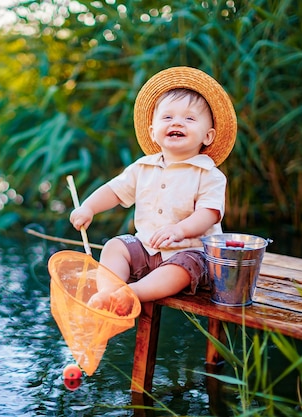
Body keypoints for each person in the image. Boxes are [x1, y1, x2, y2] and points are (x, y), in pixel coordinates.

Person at [70, 66, 237, 316]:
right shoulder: (143, 167)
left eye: (190, 119)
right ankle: (109, 291)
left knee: (182, 268)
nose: (177, 122)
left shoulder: (208, 174)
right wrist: (89, 207)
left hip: (188, 252)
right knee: (115, 246)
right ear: (153, 132)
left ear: (208, 136)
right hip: (146, 249)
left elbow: (209, 213)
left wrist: (179, 230)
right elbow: (114, 191)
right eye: (167, 118)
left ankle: (132, 293)